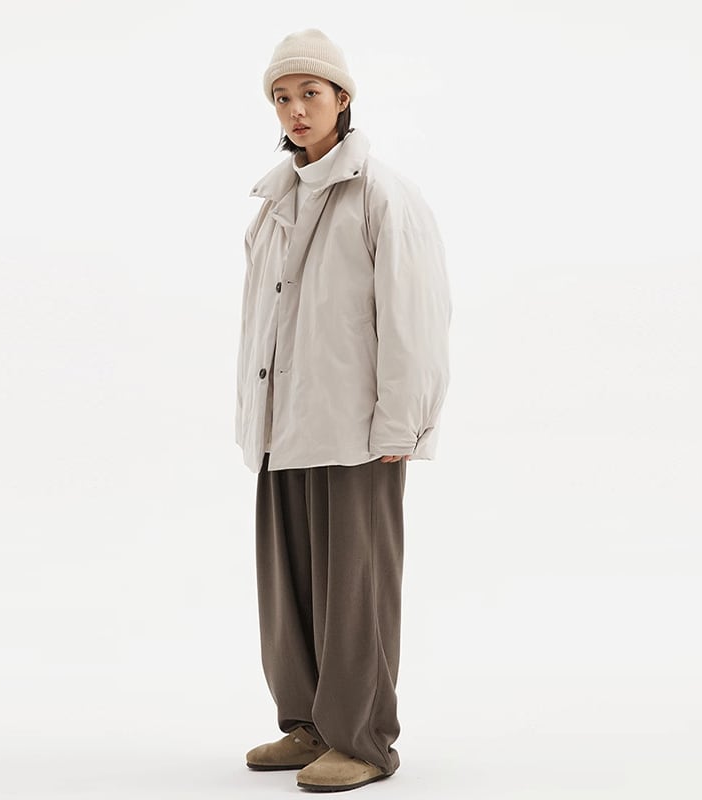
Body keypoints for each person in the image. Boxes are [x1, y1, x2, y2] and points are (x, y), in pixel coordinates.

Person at [234, 28, 452, 793]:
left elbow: (414, 315)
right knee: (289, 590)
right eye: (282, 97)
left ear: (343, 97)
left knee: (354, 590)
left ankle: (362, 740)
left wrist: (403, 421)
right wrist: (254, 418)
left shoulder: (382, 195)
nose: (296, 109)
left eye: (310, 93)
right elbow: (261, 322)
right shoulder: (273, 202)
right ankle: (310, 726)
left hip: (358, 431)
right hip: (283, 426)